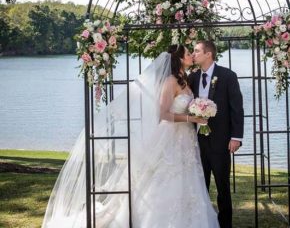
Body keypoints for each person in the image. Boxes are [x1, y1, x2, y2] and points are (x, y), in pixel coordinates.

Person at [42, 44, 219, 228]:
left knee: (188, 178)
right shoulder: (170, 81)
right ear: (180, 59)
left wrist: (199, 112)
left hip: (186, 138)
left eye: (193, 53)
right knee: (166, 177)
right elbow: (163, 114)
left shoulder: (186, 80)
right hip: (171, 137)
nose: (191, 56)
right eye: (188, 53)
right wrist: (191, 117)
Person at [188, 40, 244, 228]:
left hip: (221, 142)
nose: (193, 54)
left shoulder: (228, 76)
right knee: (200, 186)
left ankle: (225, 224)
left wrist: (236, 137)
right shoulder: (193, 77)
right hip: (198, 143)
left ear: (208, 54)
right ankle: (202, 222)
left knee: (222, 187)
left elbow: (237, 109)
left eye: (196, 51)